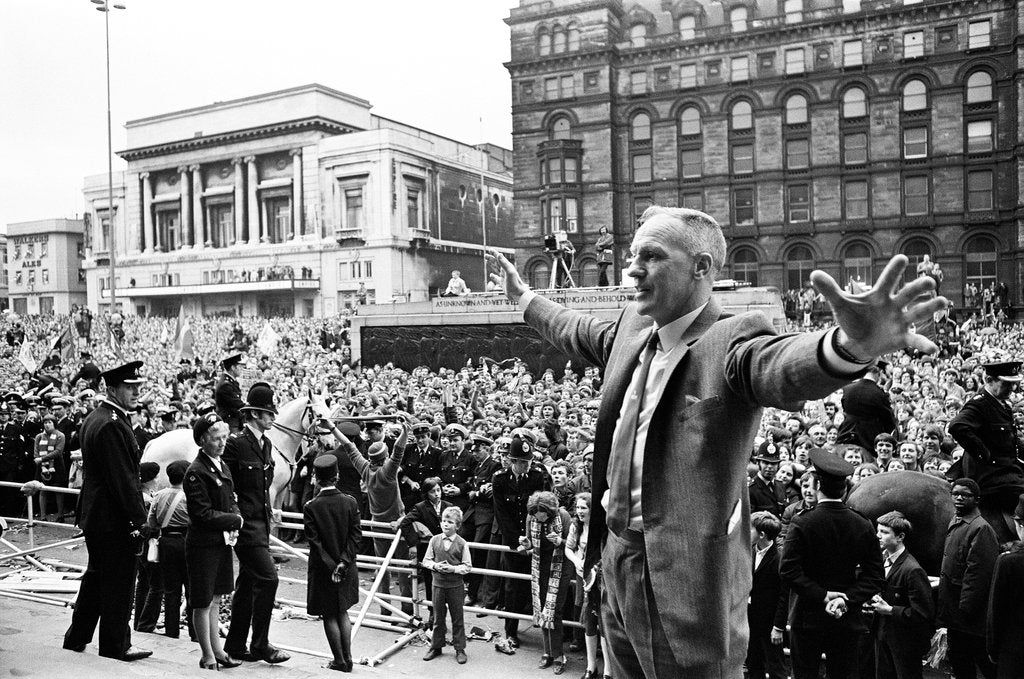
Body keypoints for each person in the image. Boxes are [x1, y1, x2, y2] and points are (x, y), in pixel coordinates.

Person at [487, 205, 945, 677]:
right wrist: (523, 299)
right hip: (615, 560)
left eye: (651, 256)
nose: (631, 268)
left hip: (684, 582)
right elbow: (574, 328)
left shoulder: (731, 339)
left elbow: (780, 367)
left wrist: (849, 346)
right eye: (631, 254)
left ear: (701, 267)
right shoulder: (630, 328)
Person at [62, 360, 154, 662]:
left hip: (96, 513)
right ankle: (117, 645)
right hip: (113, 518)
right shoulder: (113, 423)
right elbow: (123, 479)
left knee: (97, 577)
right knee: (119, 582)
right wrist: (141, 520)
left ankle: (76, 637)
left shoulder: (97, 417)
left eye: (138, 387)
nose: (135, 392)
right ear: (111, 389)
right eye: (129, 387)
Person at [780, 449, 885, 679]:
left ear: (817, 487)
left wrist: (823, 595)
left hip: (807, 618)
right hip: (846, 620)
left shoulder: (802, 522)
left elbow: (788, 571)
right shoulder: (862, 524)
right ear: (845, 489)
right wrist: (846, 599)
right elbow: (876, 575)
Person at [221, 382, 290, 664]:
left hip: (261, 523)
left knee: (249, 583)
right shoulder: (236, 443)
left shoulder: (266, 443)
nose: (273, 418)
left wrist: (270, 511)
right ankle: (261, 644)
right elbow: (223, 484)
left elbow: (264, 485)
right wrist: (234, 513)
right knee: (268, 578)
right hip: (245, 526)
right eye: (269, 413)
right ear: (255, 414)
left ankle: (236, 645)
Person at [183, 414, 244, 671]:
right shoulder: (196, 472)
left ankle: (218, 650)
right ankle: (207, 655)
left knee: (217, 598)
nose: (222, 443)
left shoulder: (221, 465)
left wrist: (235, 513)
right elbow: (203, 514)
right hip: (203, 544)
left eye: (224, 438)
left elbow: (229, 498)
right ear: (203, 441)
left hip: (220, 542)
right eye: (216, 439)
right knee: (202, 601)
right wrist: (235, 520)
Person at [948, 361, 1024, 544]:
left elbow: (1009, 442)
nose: (1011, 389)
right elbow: (957, 426)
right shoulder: (979, 404)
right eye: (1006, 384)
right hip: (990, 474)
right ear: (989, 380)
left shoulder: (1002, 404)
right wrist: (984, 455)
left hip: (1007, 469)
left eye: (1013, 384)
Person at [303, 455, 361, 673]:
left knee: (329, 614)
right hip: (347, 567)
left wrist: (332, 566)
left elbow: (315, 543)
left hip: (323, 570)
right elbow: (356, 537)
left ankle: (338, 660)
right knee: (343, 611)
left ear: (317, 479)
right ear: (337, 476)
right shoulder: (350, 502)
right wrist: (344, 563)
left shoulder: (311, 506)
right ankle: (348, 658)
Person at [937, 478, 999, 679]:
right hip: (954, 609)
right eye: (955, 494)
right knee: (960, 663)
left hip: (968, 614)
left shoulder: (980, 528)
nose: (959, 498)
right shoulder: (956, 521)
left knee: (981, 662)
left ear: (977, 499)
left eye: (966, 495)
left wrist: (965, 610)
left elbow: (978, 575)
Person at [492, 434, 550, 646]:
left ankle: (539, 624)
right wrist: (516, 542)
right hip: (513, 540)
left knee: (535, 582)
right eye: (522, 462)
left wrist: (531, 539)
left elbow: (540, 507)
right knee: (512, 587)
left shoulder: (536, 476)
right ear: (512, 461)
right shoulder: (499, 479)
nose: (527, 465)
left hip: (533, 538)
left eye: (529, 461)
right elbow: (502, 514)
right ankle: (511, 631)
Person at [870, 511, 934, 679]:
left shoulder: (912, 570)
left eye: (884, 532)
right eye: (878, 531)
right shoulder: (883, 561)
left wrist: (891, 609)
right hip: (882, 636)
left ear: (900, 537)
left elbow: (922, 614)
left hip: (905, 644)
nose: (878, 536)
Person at [520, 490, 573, 675]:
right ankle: (547, 652)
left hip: (560, 568)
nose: (537, 518)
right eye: (534, 515)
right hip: (539, 567)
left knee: (555, 612)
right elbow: (530, 546)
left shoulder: (564, 516)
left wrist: (560, 541)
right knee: (541, 608)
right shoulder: (531, 517)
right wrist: (526, 544)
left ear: (548, 511)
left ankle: (558, 655)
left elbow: (574, 544)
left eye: (540, 515)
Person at [146, 458, 192, 641]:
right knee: (191, 589)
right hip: (187, 542)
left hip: (166, 542)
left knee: (171, 590)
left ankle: (171, 632)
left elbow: (152, 521)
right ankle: (195, 634)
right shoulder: (191, 496)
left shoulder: (159, 495)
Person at [421, 506, 472, 665]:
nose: (445, 524)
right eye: (443, 521)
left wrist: (453, 569)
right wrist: (435, 566)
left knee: (457, 617)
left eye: (450, 522)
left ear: (457, 525)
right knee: (438, 617)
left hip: (455, 586)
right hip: (438, 584)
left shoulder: (462, 544)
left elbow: (467, 566)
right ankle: (436, 646)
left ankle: (459, 648)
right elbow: (426, 561)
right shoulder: (434, 540)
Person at [987, 494, 1024, 679]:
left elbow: (996, 612)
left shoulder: (1008, 562)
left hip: (1014, 651)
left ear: (1019, 525)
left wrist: (992, 649)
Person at [746, 511, 787, 679]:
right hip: (751, 621)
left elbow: (784, 597)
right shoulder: (750, 552)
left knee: (776, 667)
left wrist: (778, 627)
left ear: (762, 534)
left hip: (769, 624)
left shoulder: (779, 560)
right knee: (754, 665)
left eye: (750, 529)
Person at [837, 362, 898, 451]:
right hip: (869, 437)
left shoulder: (848, 388)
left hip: (846, 432)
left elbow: (844, 409)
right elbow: (888, 419)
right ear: (879, 372)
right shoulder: (879, 393)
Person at [33, 413, 66, 521]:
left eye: (49, 422)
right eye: (45, 422)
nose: (47, 425)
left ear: (54, 424)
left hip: (56, 465)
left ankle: (60, 515)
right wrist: (38, 459)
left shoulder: (60, 435)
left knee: (58, 490)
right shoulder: (39, 437)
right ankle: (43, 516)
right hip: (42, 466)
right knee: (42, 490)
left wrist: (42, 459)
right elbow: (36, 451)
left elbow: (58, 451)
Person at [748, 439, 787, 517]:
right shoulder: (750, 489)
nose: (769, 467)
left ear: (778, 465)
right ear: (758, 463)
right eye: (765, 463)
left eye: (773, 463)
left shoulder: (780, 485)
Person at [214, 353, 245, 434]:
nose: (241, 369)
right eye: (239, 366)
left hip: (236, 420)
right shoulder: (225, 385)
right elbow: (238, 404)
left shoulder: (231, 381)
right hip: (230, 423)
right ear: (232, 367)